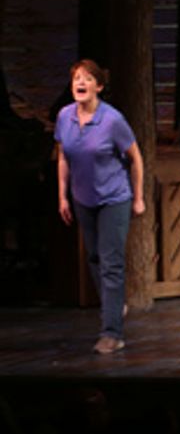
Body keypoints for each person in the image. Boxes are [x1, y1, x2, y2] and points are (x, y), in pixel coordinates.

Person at [54, 59, 145, 355]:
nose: (80, 83)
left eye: (87, 79)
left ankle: (112, 333)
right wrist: (63, 197)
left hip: (113, 198)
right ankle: (115, 303)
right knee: (94, 258)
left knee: (111, 262)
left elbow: (136, 158)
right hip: (83, 198)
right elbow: (64, 157)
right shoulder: (64, 116)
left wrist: (139, 196)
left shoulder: (112, 120)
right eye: (76, 79)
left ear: (99, 86)